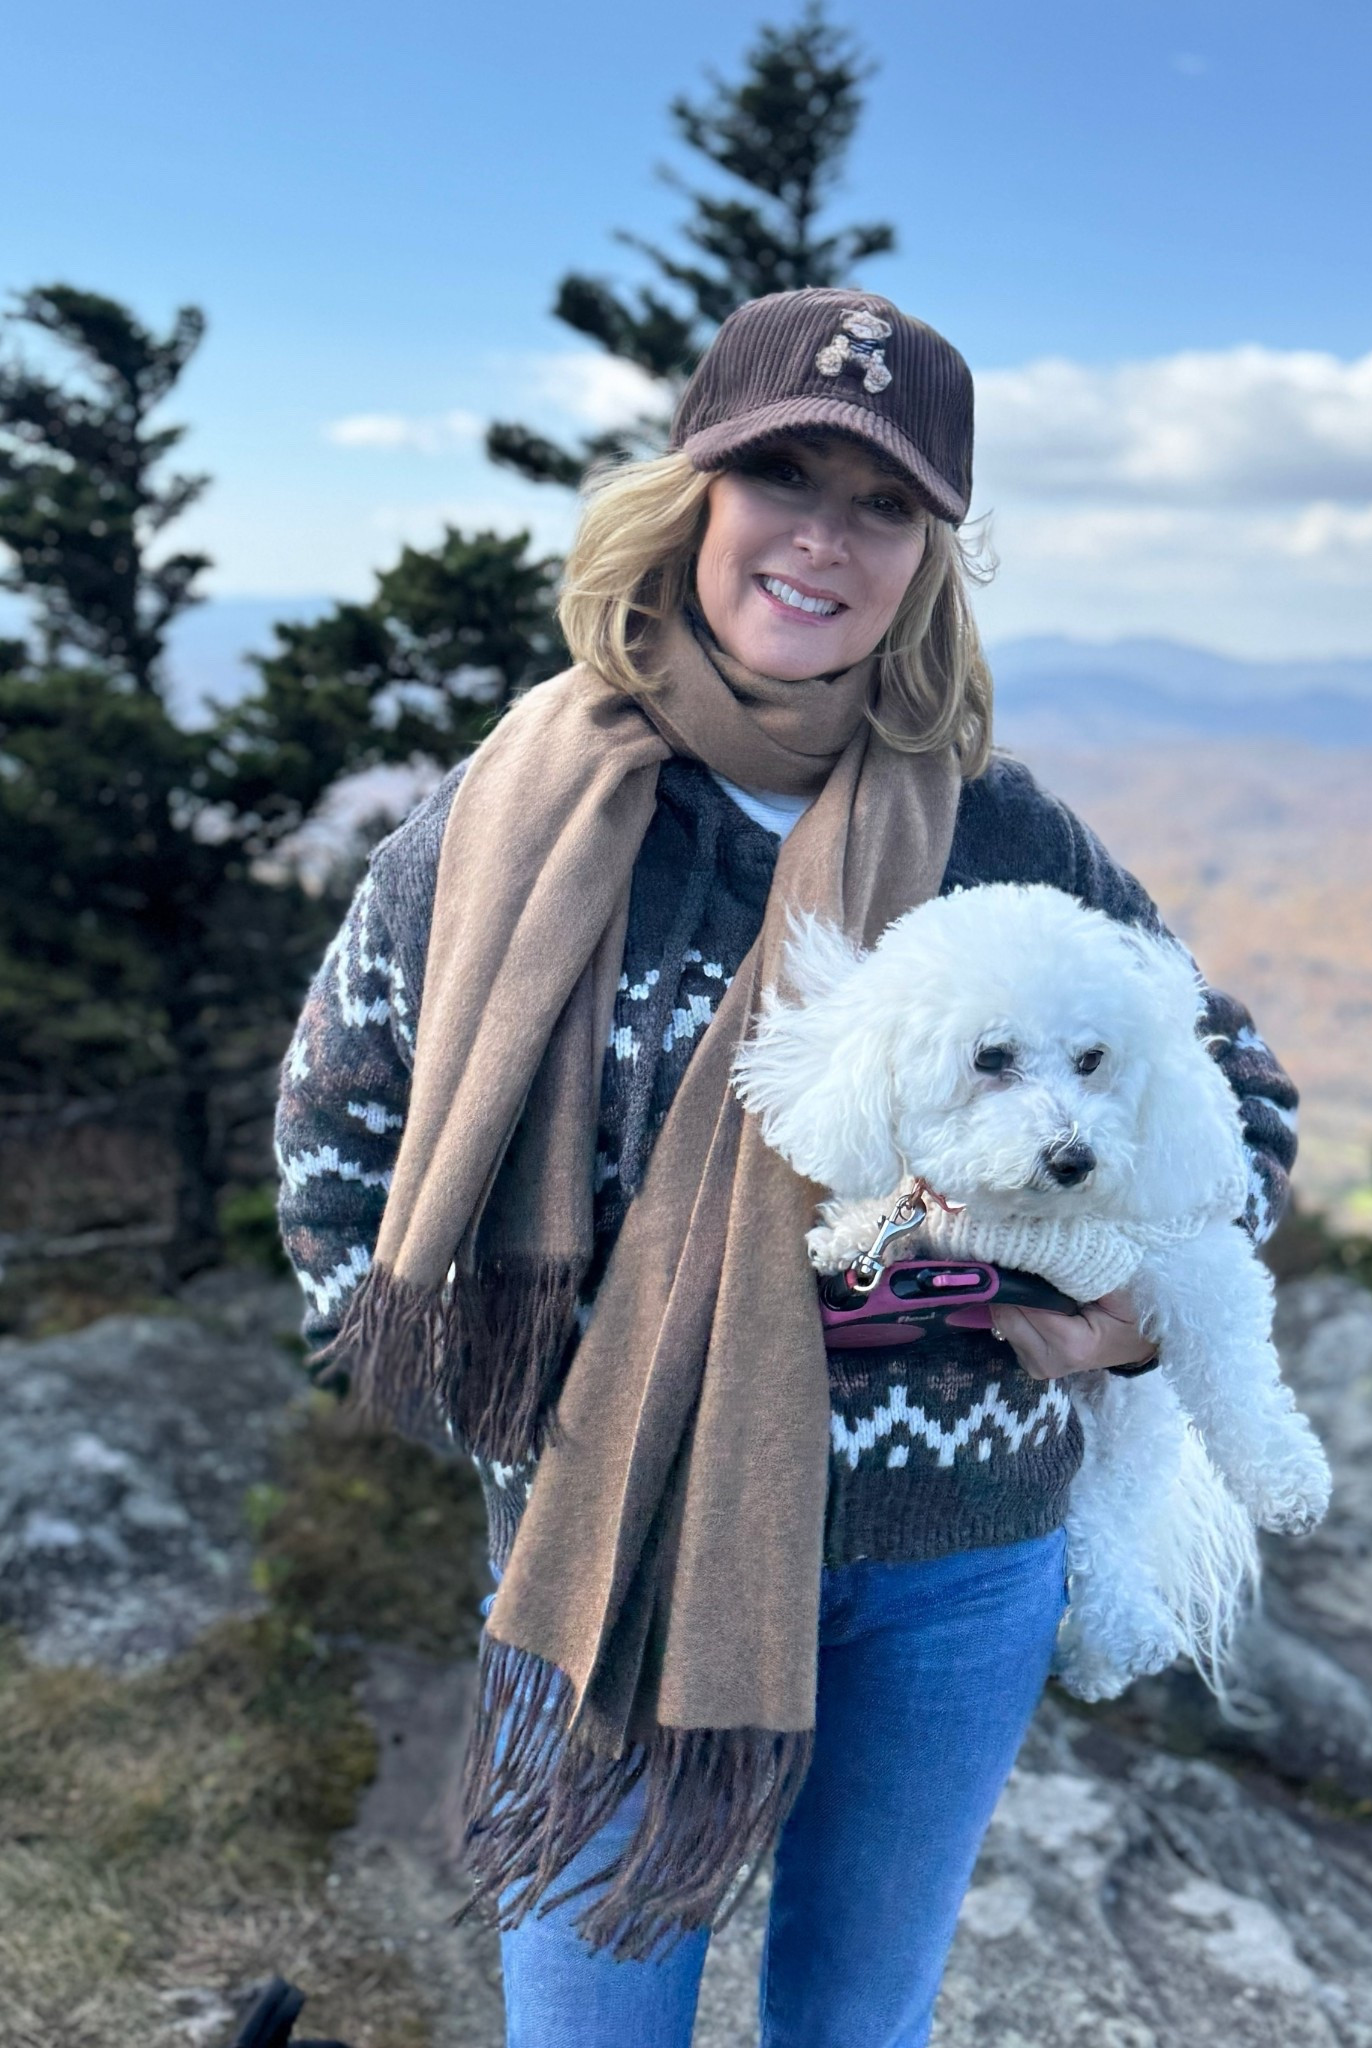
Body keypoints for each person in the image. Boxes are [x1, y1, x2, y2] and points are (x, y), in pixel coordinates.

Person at [274, 287, 1298, 2048]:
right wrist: (549, 1430)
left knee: (858, 2024)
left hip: (960, 1560)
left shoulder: (1005, 831)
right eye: (783, 474)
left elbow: (1238, 1109)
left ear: (932, 555)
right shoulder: (510, 813)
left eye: (884, 502)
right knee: (589, 2021)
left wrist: (1123, 1316)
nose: (824, 538)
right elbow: (334, 1163)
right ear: (695, 493)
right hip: (614, 1552)